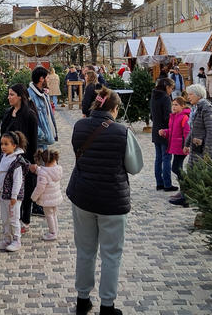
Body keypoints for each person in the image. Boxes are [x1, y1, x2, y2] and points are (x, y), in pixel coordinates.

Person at [67, 87, 143, 315]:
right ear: (115, 109)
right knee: (111, 254)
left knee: (85, 250)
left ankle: (82, 299)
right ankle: (107, 306)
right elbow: (135, 167)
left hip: (82, 196)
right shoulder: (123, 132)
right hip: (112, 200)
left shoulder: (79, 126)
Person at [1, 84, 39, 233]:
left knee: (26, 189)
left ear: (20, 96)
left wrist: (32, 162)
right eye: (8, 94)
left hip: (24, 158)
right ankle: (13, 219)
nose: (9, 97)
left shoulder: (29, 115)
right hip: (8, 157)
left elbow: (33, 142)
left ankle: (25, 219)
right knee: (12, 189)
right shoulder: (8, 113)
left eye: (12, 95)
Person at [0, 131, 29, 252]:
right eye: (2, 144)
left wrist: (14, 196)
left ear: (14, 145)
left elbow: (17, 181)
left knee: (14, 218)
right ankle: (7, 238)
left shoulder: (17, 162)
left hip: (13, 196)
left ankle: (16, 240)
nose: (3, 146)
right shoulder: (3, 157)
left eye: (6, 144)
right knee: (5, 218)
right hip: (3, 194)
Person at [162, 96, 191, 207]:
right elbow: (172, 131)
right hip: (176, 146)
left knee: (176, 168)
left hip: (181, 147)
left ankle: (186, 191)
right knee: (178, 168)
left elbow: (187, 133)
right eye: (173, 104)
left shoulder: (184, 117)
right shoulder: (173, 117)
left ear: (182, 106)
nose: (173, 107)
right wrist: (165, 132)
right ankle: (184, 191)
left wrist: (186, 145)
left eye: (176, 105)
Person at [29, 147, 64, 241]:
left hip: (47, 199)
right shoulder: (58, 169)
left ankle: (52, 233)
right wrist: (38, 170)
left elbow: (40, 187)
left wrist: (33, 197)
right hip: (55, 197)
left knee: (49, 215)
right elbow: (47, 172)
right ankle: (55, 230)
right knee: (54, 214)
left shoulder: (43, 172)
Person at [185, 84, 212, 169]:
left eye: (191, 94)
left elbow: (211, 132)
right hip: (198, 148)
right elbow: (194, 129)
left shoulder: (207, 109)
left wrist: (207, 153)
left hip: (205, 150)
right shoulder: (197, 108)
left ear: (199, 95)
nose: (188, 97)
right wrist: (187, 144)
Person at [150, 77, 176, 191]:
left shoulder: (153, 96)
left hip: (156, 129)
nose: (171, 91)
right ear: (167, 87)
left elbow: (151, 114)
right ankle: (167, 184)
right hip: (165, 130)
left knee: (158, 158)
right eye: (171, 88)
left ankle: (159, 183)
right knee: (166, 158)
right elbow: (167, 116)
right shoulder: (165, 97)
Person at [28, 66, 58, 149]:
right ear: (41, 79)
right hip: (38, 140)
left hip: (44, 139)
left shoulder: (43, 94)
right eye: (47, 77)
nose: (48, 80)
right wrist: (41, 135)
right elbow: (30, 119)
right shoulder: (30, 95)